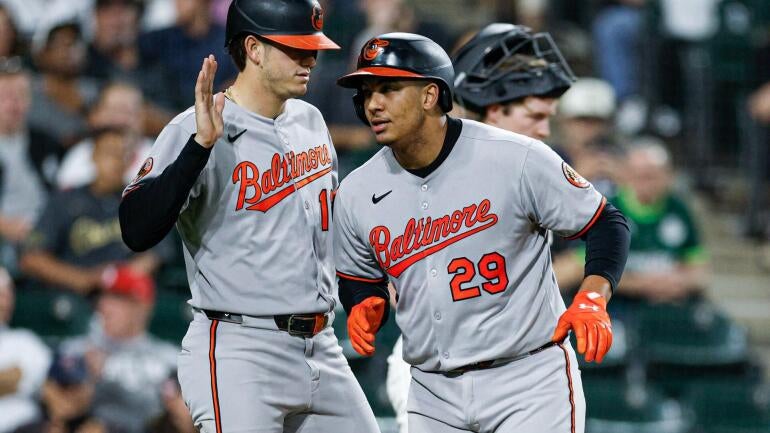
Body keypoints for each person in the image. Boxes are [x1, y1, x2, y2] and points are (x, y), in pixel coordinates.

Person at [334, 32, 631, 433]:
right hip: (431, 388)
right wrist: (363, 302)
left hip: (527, 380)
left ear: (429, 95)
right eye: (366, 92)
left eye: (388, 88)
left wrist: (593, 296)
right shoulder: (357, 190)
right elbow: (357, 277)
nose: (373, 103)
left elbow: (605, 224)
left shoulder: (516, 157)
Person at [118, 1, 380, 432]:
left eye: (312, 48)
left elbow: (326, 231)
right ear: (254, 49)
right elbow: (136, 229)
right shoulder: (196, 127)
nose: (310, 59)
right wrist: (199, 148)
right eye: (295, 49)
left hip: (321, 344)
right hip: (242, 348)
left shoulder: (310, 120)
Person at [385, 23, 578, 433]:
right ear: (493, 107)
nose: (545, 130)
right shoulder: (409, 171)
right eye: (535, 116)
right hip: (439, 370)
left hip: (526, 366)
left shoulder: (537, 169)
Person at [20, 127, 166, 297]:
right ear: (93, 156)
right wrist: (82, 279)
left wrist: (115, 278)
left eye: (123, 154)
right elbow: (31, 257)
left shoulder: (141, 199)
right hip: (70, 298)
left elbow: (157, 254)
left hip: (122, 297)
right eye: (110, 153)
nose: (117, 161)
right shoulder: (64, 200)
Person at [58, 266, 177, 433]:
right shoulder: (76, 350)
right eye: (102, 296)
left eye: (117, 298)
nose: (103, 305)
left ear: (142, 307)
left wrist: (106, 374)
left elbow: (162, 415)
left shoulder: (168, 358)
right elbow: (54, 402)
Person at [0, 267, 53, 433]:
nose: (5, 302)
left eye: (9, 294)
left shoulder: (25, 340)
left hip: (24, 427)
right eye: (0, 295)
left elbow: (17, 381)